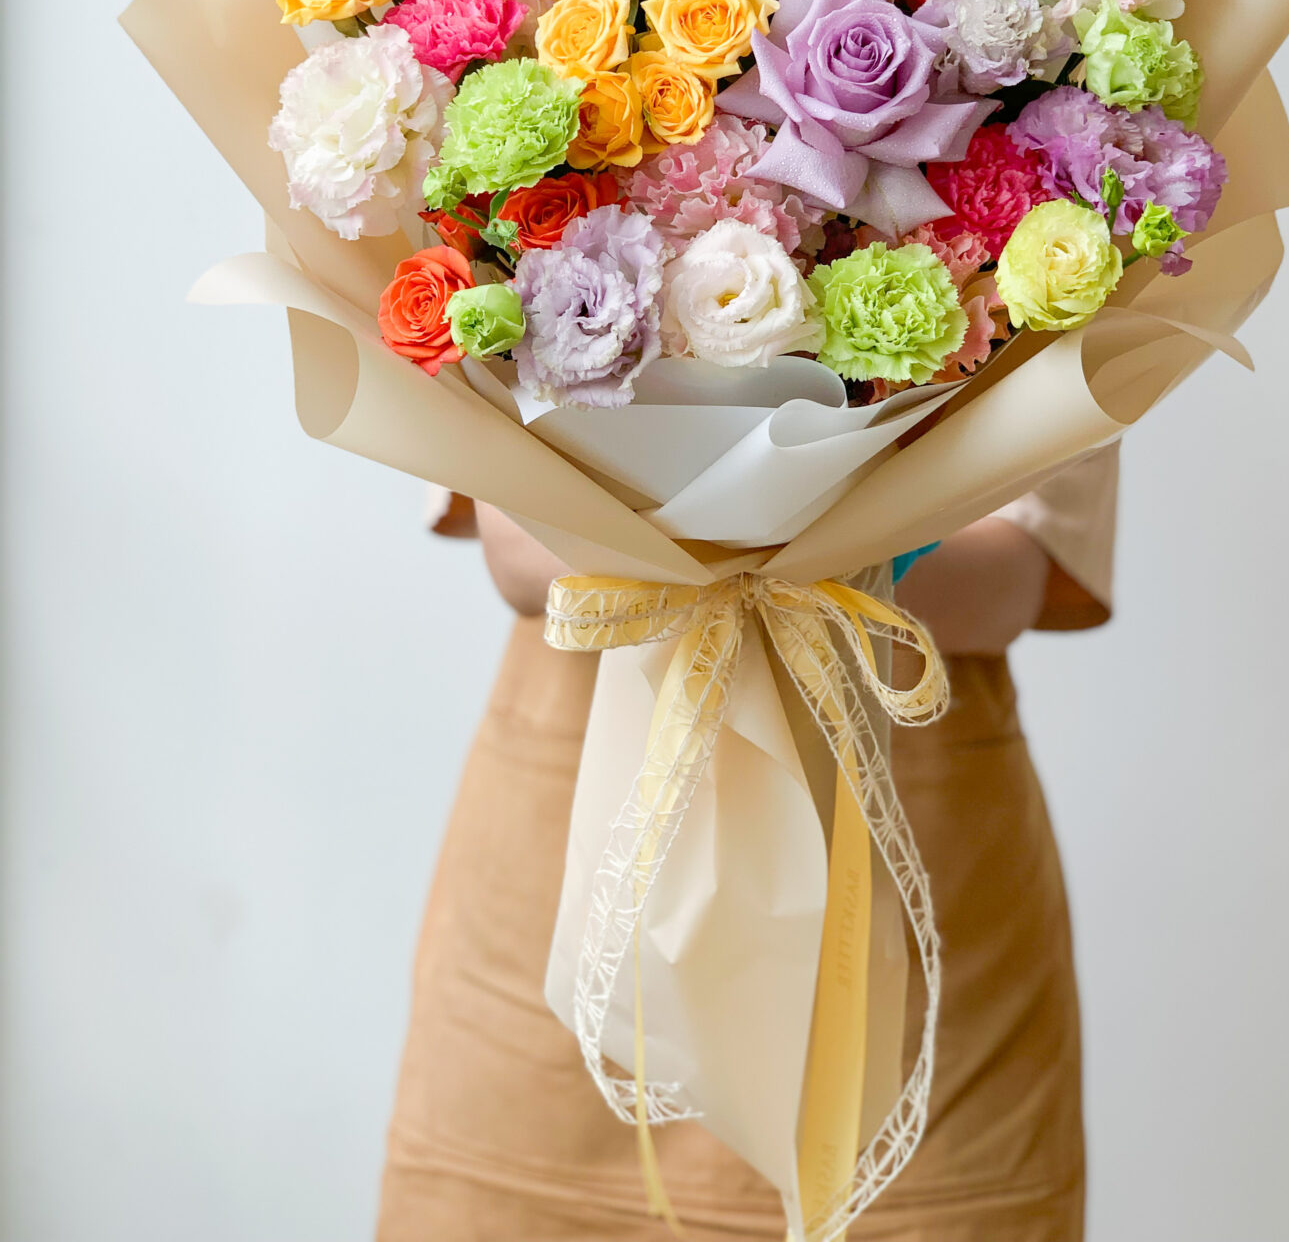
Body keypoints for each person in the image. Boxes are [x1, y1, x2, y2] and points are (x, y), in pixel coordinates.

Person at [377, 448, 1118, 1242]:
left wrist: (730, 560)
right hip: (563, 900)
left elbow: (1016, 575)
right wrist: (788, 558)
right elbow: (516, 547)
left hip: (907, 915)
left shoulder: (1034, 311)